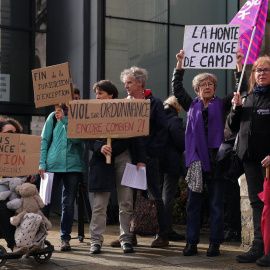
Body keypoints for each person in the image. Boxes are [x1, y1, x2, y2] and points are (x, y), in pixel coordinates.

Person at [172, 49, 245, 257]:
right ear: (196, 89)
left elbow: (240, 89)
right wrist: (180, 64)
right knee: (193, 204)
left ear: (214, 89)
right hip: (196, 160)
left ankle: (214, 243)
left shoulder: (221, 104)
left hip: (216, 159)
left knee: (215, 203)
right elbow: (177, 88)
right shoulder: (191, 104)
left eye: (210, 84)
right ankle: (192, 242)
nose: (207, 87)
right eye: (203, 85)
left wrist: (238, 65)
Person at [85, 80, 145, 254]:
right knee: (99, 205)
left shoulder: (125, 110)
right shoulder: (91, 112)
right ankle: (95, 241)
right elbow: (86, 138)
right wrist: (99, 147)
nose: (97, 96)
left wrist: (138, 158)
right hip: (101, 161)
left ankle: (126, 239)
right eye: (96, 93)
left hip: (122, 158)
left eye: (101, 93)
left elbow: (134, 135)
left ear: (111, 95)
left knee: (126, 202)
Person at [120, 66, 168, 247]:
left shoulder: (155, 103)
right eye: (125, 83)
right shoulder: (125, 103)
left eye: (129, 82)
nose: (126, 86)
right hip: (129, 157)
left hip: (149, 159)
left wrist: (149, 153)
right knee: (129, 197)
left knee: (154, 195)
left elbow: (162, 132)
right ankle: (129, 235)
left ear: (140, 83)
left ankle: (162, 234)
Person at [229, 55, 270, 267]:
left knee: (269, 205)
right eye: (257, 70)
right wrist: (236, 107)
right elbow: (234, 126)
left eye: (266, 70)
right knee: (256, 203)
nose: (261, 73)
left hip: (268, 162)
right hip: (250, 161)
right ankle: (258, 246)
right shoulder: (249, 97)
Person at [39, 93, 85, 251]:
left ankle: (65, 238)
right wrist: (41, 163)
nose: (75, 100)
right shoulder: (52, 116)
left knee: (68, 204)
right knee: (44, 202)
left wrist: (65, 121)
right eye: (73, 97)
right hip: (52, 165)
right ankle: (39, 237)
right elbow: (44, 140)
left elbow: (77, 140)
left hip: (73, 166)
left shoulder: (80, 116)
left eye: (77, 97)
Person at [159, 95, 186, 241]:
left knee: (160, 196)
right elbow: (180, 142)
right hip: (171, 163)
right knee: (167, 197)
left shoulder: (161, 118)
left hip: (159, 162)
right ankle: (167, 229)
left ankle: (159, 227)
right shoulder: (175, 120)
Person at [0, 116, 24, 253]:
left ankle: (31, 238)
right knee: (2, 206)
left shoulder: (19, 152)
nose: (13, 136)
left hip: (15, 192)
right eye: (9, 133)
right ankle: (14, 245)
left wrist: (30, 177)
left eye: (15, 133)